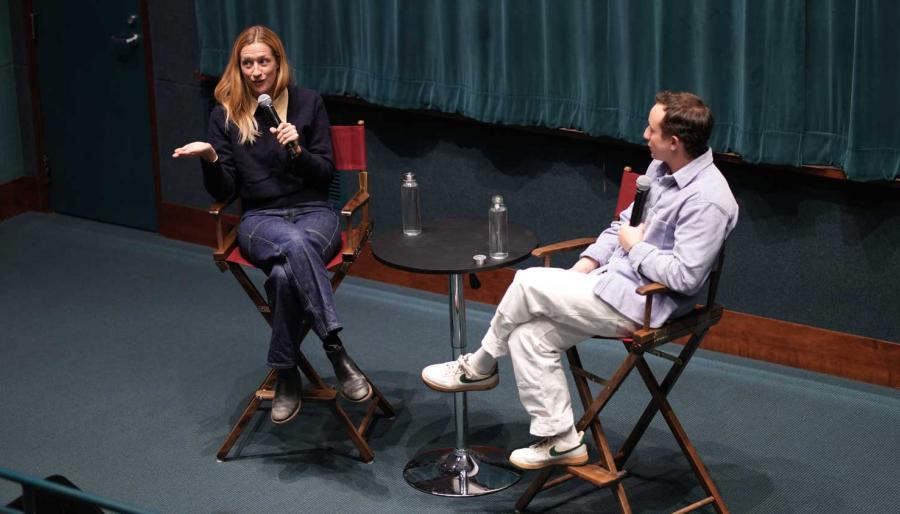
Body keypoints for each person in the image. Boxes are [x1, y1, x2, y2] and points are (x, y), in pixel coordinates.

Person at [422, 91, 739, 470]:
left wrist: (636, 249)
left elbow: (686, 278)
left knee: (526, 282)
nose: (643, 135)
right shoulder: (660, 168)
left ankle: (479, 366)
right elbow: (622, 225)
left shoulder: (708, 200)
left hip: (645, 304)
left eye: (651, 130)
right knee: (529, 337)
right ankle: (561, 439)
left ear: (675, 142)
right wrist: (587, 264)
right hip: (609, 282)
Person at [173, 25, 371, 424]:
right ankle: (336, 349)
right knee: (294, 247)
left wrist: (297, 149)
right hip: (261, 219)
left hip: (315, 212)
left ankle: (286, 372)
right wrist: (212, 157)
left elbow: (324, 176)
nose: (255, 70)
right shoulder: (225, 115)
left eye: (263, 61)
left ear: (278, 63)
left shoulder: (308, 103)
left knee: (282, 277)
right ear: (238, 67)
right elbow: (226, 188)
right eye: (247, 63)